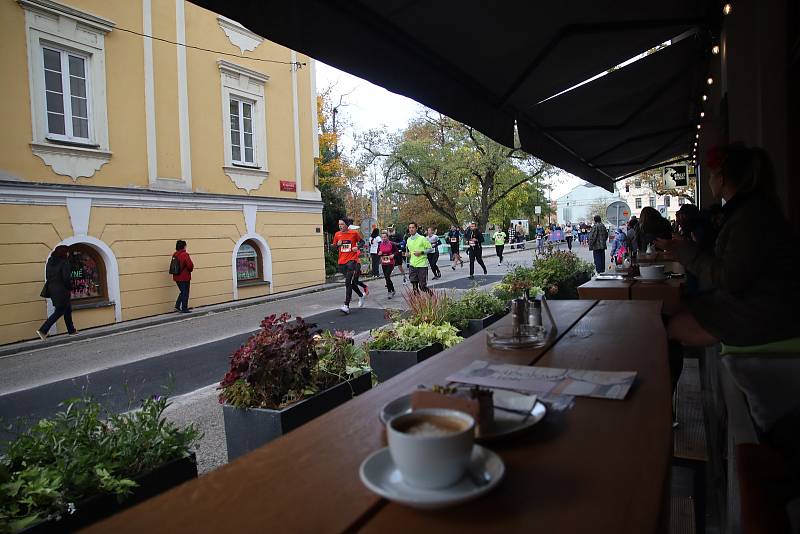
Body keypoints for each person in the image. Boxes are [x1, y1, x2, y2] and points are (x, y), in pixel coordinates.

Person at [36, 245, 78, 339]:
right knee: (59, 311)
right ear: (64, 252)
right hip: (62, 290)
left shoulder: (50, 262)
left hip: (53, 289)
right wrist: (70, 287)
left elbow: (47, 276)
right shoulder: (64, 262)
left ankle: (71, 330)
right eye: (67, 252)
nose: (68, 254)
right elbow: (66, 278)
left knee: (67, 310)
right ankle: (43, 330)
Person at [333, 218, 366, 314]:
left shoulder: (353, 233)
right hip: (341, 262)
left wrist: (357, 247)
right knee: (350, 283)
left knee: (347, 282)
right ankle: (360, 295)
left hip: (352, 260)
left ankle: (346, 305)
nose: (340, 226)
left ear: (347, 225)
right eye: (339, 224)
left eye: (342, 224)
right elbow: (334, 246)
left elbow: (362, 242)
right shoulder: (337, 234)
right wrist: (337, 245)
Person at [405, 222, 432, 293]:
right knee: (414, 287)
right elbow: (411, 252)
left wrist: (421, 252)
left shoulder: (422, 238)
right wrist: (408, 254)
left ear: (416, 228)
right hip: (412, 265)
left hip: (422, 265)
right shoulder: (408, 240)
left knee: (422, 287)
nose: (411, 229)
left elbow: (430, 249)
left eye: (413, 228)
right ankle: (417, 303)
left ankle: (432, 296)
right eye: (410, 228)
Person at [172, 239, 194, 313]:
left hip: (176, 277)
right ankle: (184, 308)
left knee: (182, 292)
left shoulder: (175, 254)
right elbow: (190, 265)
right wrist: (190, 270)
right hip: (184, 277)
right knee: (185, 292)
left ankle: (177, 306)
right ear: (183, 246)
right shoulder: (185, 254)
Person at [377, 230, 398, 299]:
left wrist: (393, 255)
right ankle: (393, 290)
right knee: (387, 277)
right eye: (382, 237)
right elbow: (378, 252)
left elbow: (397, 252)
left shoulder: (391, 244)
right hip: (384, 262)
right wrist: (379, 254)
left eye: (385, 237)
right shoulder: (380, 244)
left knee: (387, 275)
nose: (384, 238)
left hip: (390, 262)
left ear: (387, 237)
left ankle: (389, 292)